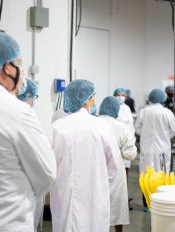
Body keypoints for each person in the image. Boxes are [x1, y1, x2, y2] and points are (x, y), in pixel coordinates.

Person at [0, 32, 56, 232]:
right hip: (7, 223)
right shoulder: (18, 113)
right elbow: (47, 174)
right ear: (7, 68)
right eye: (19, 64)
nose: (22, 72)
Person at [50, 79, 118, 232]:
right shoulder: (102, 127)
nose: (94, 99)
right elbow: (113, 167)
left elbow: (48, 165)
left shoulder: (56, 128)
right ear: (87, 100)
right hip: (95, 194)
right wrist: (100, 179)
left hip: (63, 195)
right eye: (93, 96)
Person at [99, 96, 137, 232]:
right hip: (115, 172)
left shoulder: (93, 123)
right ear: (116, 110)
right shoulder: (121, 127)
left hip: (96, 171)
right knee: (117, 206)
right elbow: (130, 153)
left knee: (96, 205)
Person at [135, 89, 175, 173]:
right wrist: (165, 136)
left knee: (146, 174)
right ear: (163, 99)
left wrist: (145, 134)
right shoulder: (167, 112)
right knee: (162, 173)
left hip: (147, 148)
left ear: (150, 98)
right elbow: (174, 129)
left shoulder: (143, 111)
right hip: (163, 148)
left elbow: (137, 128)